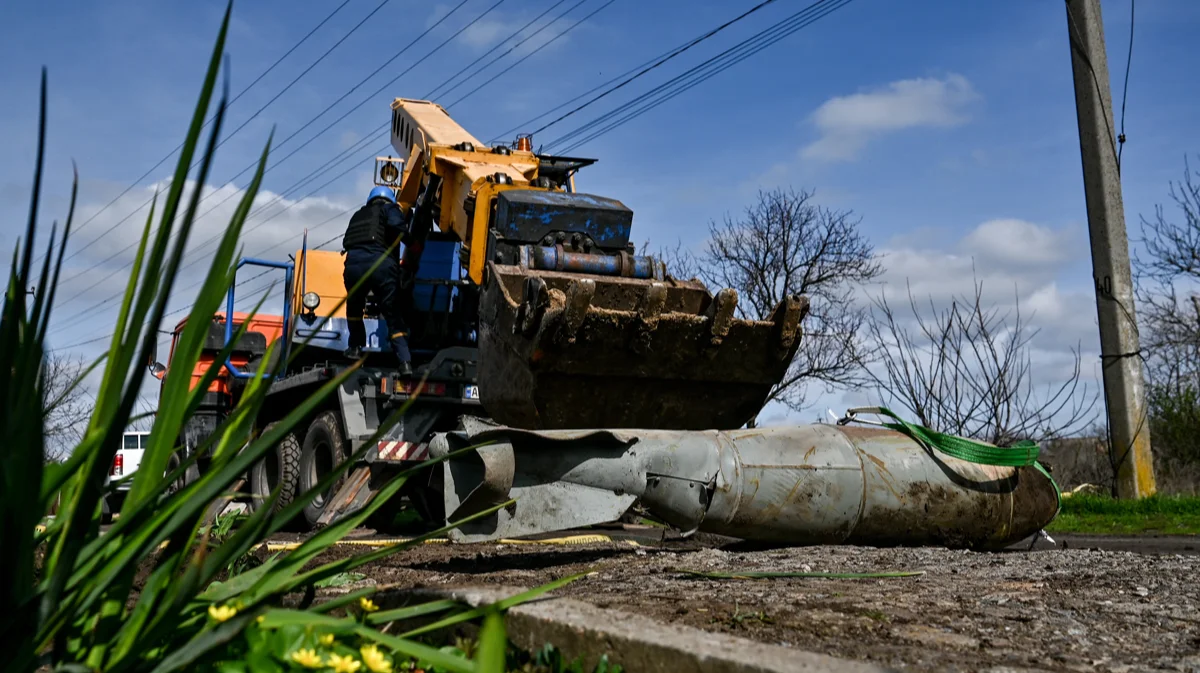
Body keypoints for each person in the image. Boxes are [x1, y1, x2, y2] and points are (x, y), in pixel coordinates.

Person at [341, 185, 412, 375]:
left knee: (355, 306)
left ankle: (355, 348)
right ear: (390, 199)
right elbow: (397, 226)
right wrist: (413, 242)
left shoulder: (358, 214)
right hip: (381, 265)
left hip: (353, 266)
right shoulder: (389, 209)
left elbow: (346, 242)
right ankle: (404, 362)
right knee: (392, 314)